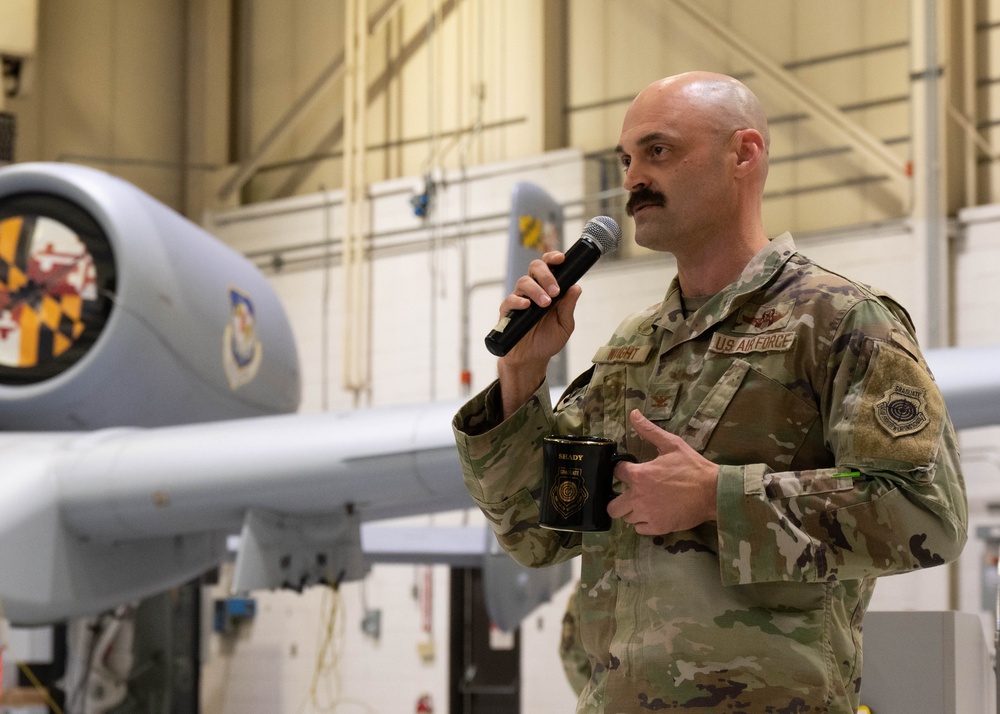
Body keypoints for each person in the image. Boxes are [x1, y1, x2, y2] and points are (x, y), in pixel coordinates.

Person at [452, 71, 968, 712]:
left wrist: (718, 499)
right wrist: (521, 376)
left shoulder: (840, 322)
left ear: (744, 154)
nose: (633, 176)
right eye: (627, 158)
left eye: (658, 151)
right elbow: (536, 532)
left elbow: (928, 513)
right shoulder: (630, 348)